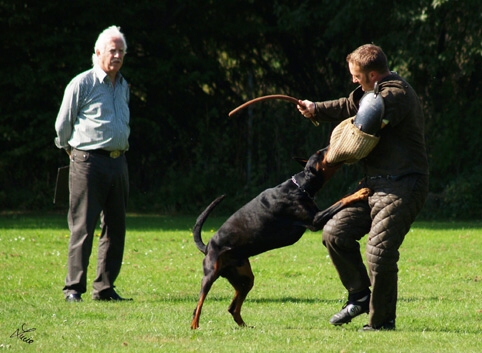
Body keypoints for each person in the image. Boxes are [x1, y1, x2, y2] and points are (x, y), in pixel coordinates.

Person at [297, 44, 429, 330]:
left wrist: (343, 145)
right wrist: (315, 108)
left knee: (379, 252)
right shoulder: (373, 92)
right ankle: (358, 295)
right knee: (335, 232)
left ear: (371, 74)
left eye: (357, 76)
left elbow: (369, 115)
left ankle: (381, 322)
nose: (354, 81)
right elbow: (350, 105)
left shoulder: (396, 94)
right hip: (372, 186)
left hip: (403, 186)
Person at [55, 25, 132, 302]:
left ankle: (105, 288)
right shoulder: (82, 83)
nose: (118, 55)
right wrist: (71, 151)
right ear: (98, 52)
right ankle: (73, 289)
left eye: (121, 51)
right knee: (83, 228)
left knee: (116, 228)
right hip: (87, 162)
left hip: (118, 162)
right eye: (113, 50)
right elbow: (63, 125)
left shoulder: (123, 85)